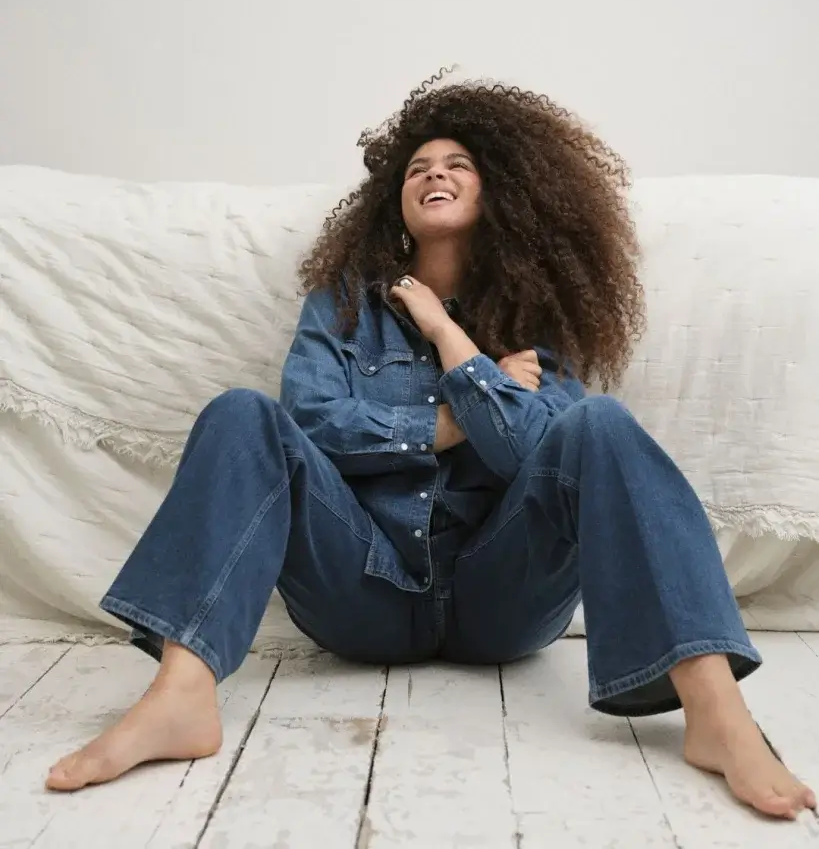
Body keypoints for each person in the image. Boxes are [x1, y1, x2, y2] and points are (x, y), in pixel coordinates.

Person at [47, 77, 815, 820]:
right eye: (417, 169)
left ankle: (715, 713)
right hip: (363, 592)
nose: (433, 175)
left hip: (501, 601)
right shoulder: (343, 305)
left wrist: (451, 339)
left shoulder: (536, 318)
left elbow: (533, 454)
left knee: (600, 424)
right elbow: (311, 423)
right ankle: (181, 695)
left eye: (456, 165)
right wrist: (453, 419)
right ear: (395, 202)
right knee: (242, 414)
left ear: (501, 193)